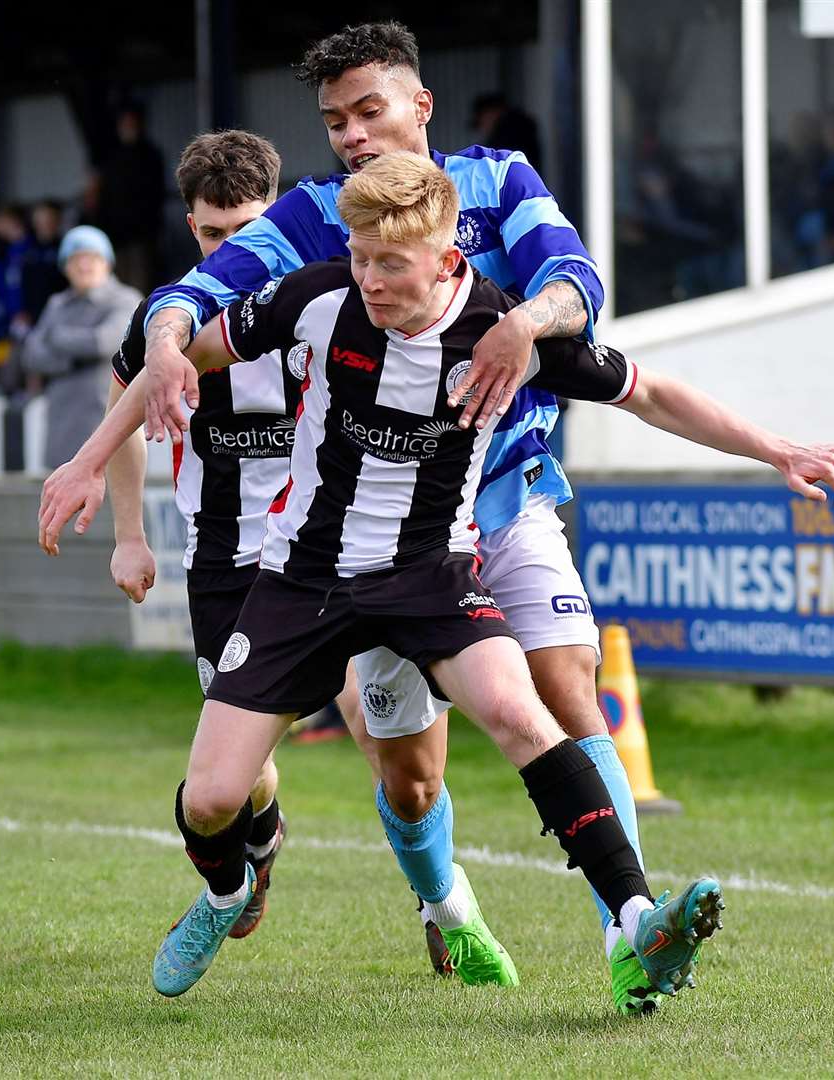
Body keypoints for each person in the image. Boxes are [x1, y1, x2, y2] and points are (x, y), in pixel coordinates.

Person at [43, 153, 740, 1004]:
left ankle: (637, 921)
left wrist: (780, 450)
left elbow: (651, 392)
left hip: (429, 575)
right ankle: (229, 889)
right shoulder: (315, 297)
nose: (368, 279)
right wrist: (88, 461)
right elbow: (185, 345)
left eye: (389, 263)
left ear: (448, 260)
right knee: (213, 798)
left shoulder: (501, 332)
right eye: (359, 257)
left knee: (525, 711)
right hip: (300, 580)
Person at [104, 129, 372, 944]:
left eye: (247, 230)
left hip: (335, 545)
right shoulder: (167, 320)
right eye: (214, 233)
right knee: (244, 770)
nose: (231, 248)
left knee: (380, 723)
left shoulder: (334, 299)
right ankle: (262, 838)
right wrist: (128, 538)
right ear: (192, 228)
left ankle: (440, 900)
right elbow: (117, 424)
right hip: (223, 558)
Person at [19, 226, 140, 467]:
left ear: (107, 263)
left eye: (92, 258)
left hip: (106, 424)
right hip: (61, 427)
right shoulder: (57, 304)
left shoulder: (126, 300)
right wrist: (72, 360)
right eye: (76, 260)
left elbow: (103, 342)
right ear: (65, 267)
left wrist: (57, 337)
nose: (84, 266)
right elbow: (31, 355)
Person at [94, 102, 166, 294]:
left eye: (131, 123)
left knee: (139, 285)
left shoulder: (150, 155)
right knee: (115, 283)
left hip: (141, 235)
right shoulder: (111, 156)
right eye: (124, 123)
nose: (128, 127)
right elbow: (103, 194)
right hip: (115, 234)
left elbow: (155, 196)